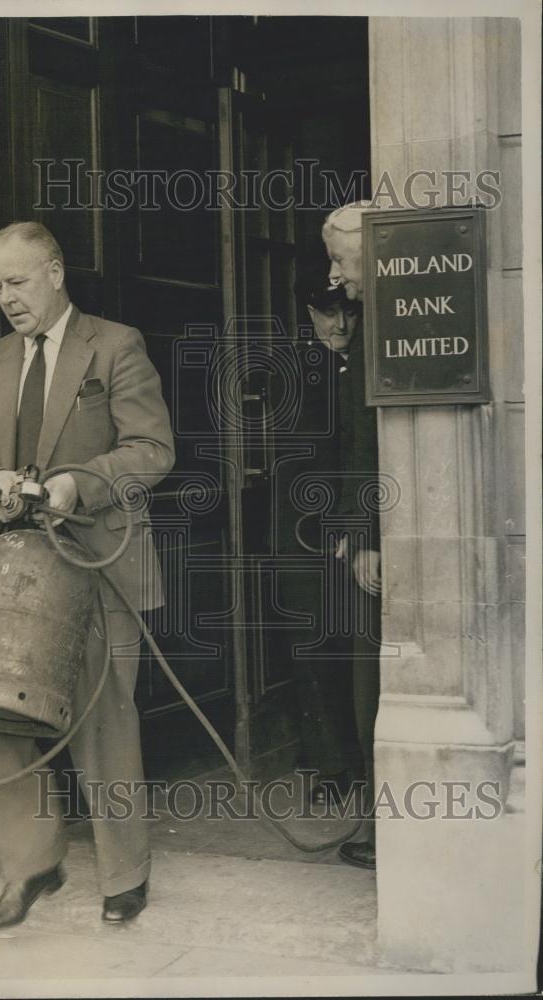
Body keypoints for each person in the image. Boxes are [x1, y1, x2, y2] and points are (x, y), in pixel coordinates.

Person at [0, 221, 175, 926]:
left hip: (95, 563)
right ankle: (32, 861)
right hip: (7, 576)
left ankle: (124, 875)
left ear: (54, 271)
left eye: (17, 281)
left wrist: (85, 482)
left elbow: (152, 449)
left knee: (104, 718)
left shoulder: (116, 345)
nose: (7, 298)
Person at [281, 256, 364, 808]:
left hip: (349, 531)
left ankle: (360, 760)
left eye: (347, 314)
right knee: (313, 644)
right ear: (310, 315)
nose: (338, 326)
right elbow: (299, 462)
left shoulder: (363, 366)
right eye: (326, 314)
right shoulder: (298, 371)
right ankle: (333, 764)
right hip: (304, 534)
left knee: (356, 646)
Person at [321, 200, 381, 870]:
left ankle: (386, 824)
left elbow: (372, 444)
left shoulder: (380, 329)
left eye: (341, 259)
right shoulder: (369, 325)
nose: (335, 277)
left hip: (381, 542)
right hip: (370, 531)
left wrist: (365, 536)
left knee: (375, 681)